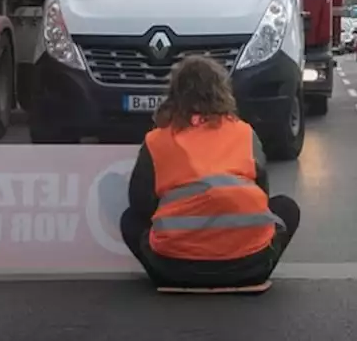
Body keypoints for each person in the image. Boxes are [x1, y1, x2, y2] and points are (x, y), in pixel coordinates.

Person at [119, 55, 301, 288]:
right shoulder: (244, 133)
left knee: (130, 220)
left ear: (174, 94)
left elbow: (140, 203)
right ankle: (249, 268)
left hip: (172, 268)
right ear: (222, 91)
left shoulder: (157, 140)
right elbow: (262, 195)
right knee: (286, 207)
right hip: (250, 265)